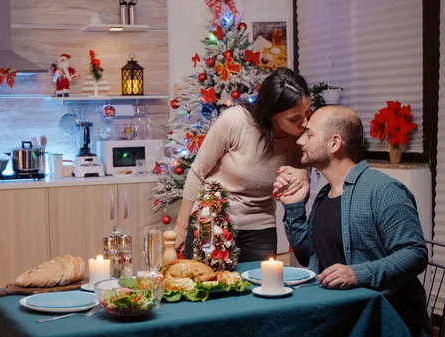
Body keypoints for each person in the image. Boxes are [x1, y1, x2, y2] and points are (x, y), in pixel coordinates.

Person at [274, 105, 431, 336]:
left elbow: (415, 253)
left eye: (309, 134)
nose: (299, 142)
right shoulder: (324, 196)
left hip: (383, 322)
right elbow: (308, 255)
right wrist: (294, 204)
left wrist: (358, 274)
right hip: (338, 317)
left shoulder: (383, 190)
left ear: (334, 143)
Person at [175, 67, 311, 262]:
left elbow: (297, 187)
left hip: (261, 226)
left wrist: (300, 177)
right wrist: (181, 227)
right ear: (273, 115)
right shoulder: (236, 121)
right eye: (294, 118)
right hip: (213, 219)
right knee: (207, 287)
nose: (304, 122)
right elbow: (197, 172)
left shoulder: (302, 139)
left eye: (307, 112)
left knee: (261, 286)